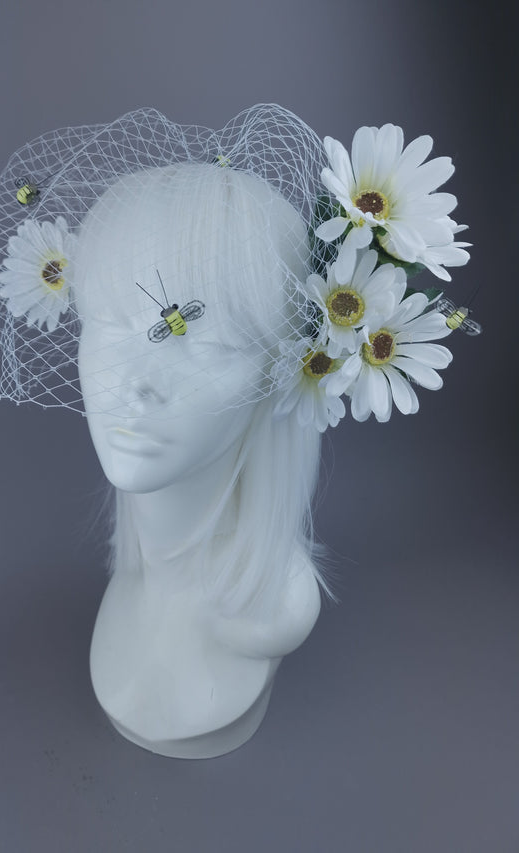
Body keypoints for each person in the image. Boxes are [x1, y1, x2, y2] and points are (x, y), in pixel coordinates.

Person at [74, 161, 324, 758]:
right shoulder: (134, 571)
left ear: (281, 373)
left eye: (206, 344)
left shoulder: (273, 612)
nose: (138, 384)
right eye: (111, 324)